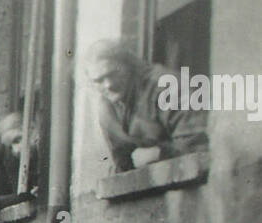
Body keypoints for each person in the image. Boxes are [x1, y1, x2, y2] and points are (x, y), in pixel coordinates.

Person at [86, 39, 208, 172]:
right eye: (98, 80)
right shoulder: (107, 107)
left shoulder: (166, 87)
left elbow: (197, 147)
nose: (108, 85)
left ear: (129, 65)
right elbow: (122, 164)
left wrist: (158, 153)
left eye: (113, 74)